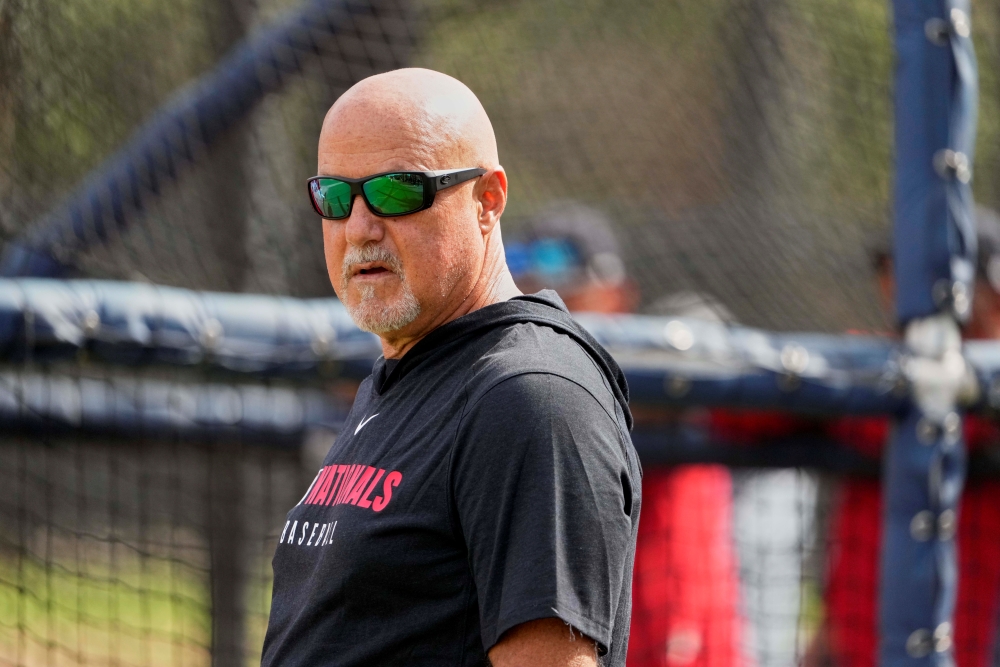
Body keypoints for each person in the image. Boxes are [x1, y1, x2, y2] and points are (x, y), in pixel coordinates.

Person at [260, 69, 642, 667]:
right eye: (334, 197)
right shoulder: (404, 376)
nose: (359, 227)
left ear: (488, 200)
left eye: (396, 191)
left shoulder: (530, 396)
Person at [506, 209, 743, 667]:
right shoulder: (509, 373)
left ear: (617, 293)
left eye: (568, 290)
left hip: (672, 627)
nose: (548, 304)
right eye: (531, 286)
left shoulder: (666, 369)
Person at [822, 208, 1000, 667]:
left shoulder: (984, 377)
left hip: (971, 642)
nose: (895, 284)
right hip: (862, 643)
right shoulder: (869, 365)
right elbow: (738, 419)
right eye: (890, 269)